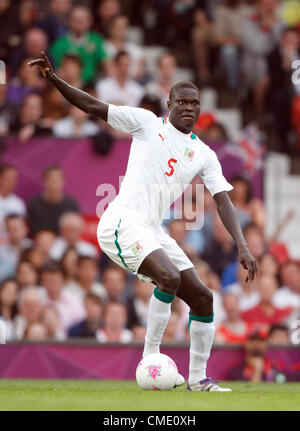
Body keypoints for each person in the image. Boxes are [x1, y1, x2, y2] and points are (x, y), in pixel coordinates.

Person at [28, 51, 258, 392]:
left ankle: (198, 380)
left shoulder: (204, 155)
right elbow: (94, 106)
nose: (189, 108)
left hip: (152, 229)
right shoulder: (147, 123)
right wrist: (54, 79)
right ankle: (150, 358)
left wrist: (242, 244)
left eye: (195, 103)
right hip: (121, 223)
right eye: (182, 101)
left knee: (204, 299)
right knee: (167, 277)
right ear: (169, 103)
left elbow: (222, 198)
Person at [27, 165, 80, 235]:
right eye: (51, 181)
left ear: (63, 182)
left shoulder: (72, 205)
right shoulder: (33, 204)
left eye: (57, 180)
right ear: (44, 182)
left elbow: (75, 229)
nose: (54, 185)